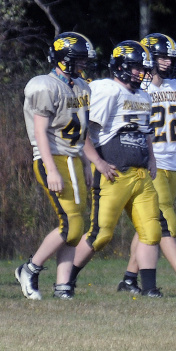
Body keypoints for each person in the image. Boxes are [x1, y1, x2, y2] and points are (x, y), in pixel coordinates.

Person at [111, 33, 176, 296]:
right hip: (150, 163)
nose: (167, 63)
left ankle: (128, 279)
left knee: (149, 225)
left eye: (170, 58)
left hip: (171, 164)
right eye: (162, 57)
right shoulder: (138, 89)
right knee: (162, 222)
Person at [71, 40, 165, 297]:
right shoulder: (106, 90)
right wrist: (97, 162)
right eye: (136, 68)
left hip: (141, 173)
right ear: (121, 66)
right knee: (100, 234)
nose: (141, 73)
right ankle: (66, 279)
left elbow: (145, 132)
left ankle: (149, 288)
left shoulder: (143, 95)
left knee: (151, 230)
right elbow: (84, 131)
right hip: (114, 173)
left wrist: (152, 159)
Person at [15, 32, 102, 300]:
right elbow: (40, 131)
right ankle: (30, 269)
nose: (83, 65)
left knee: (77, 225)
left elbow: (82, 132)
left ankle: (63, 286)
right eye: (78, 60)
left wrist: (86, 163)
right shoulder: (46, 86)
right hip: (52, 157)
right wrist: (51, 169)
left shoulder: (82, 87)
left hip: (73, 158)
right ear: (63, 60)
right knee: (70, 225)